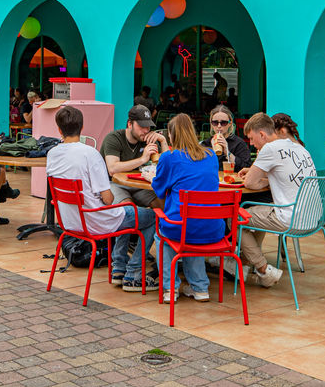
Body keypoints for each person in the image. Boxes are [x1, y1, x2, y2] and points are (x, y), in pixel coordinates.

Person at [47, 104, 156, 292]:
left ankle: (119, 269)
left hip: (69, 222)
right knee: (153, 217)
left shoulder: (52, 154)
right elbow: (107, 199)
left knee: (125, 211)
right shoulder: (90, 153)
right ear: (82, 127)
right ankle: (134, 274)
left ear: (59, 129)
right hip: (96, 221)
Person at [238, 112, 317, 287]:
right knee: (259, 211)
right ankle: (246, 261)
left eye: (251, 139)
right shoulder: (299, 147)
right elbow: (283, 175)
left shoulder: (270, 149)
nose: (251, 144)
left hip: (291, 218)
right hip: (312, 217)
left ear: (262, 134)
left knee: (235, 217)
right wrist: (263, 179)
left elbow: (250, 183)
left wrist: (257, 176)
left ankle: (263, 269)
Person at [151, 114, 223, 304]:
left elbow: (159, 190)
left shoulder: (169, 157)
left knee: (164, 233)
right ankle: (200, 288)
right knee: (193, 223)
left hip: (181, 227)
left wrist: (153, 178)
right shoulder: (211, 155)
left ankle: (170, 288)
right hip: (213, 227)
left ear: (171, 135)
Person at [101, 105, 168, 208]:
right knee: (129, 210)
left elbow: (167, 167)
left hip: (140, 184)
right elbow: (112, 169)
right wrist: (142, 159)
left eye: (148, 126)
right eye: (142, 126)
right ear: (130, 124)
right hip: (115, 183)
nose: (146, 130)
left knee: (164, 206)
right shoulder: (114, 138)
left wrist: (163, 141)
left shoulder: (148, 139)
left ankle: (147, 216)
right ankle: (148, 216)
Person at [202, 104, 250, 170]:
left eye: (223, 123)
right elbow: (200, 167)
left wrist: (227, 152)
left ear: (230, 123)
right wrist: (212, 151)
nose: (219, 126)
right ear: (211, 124)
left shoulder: (239, 143)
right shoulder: (206, 144)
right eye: (215, 122)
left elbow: (246, 167)